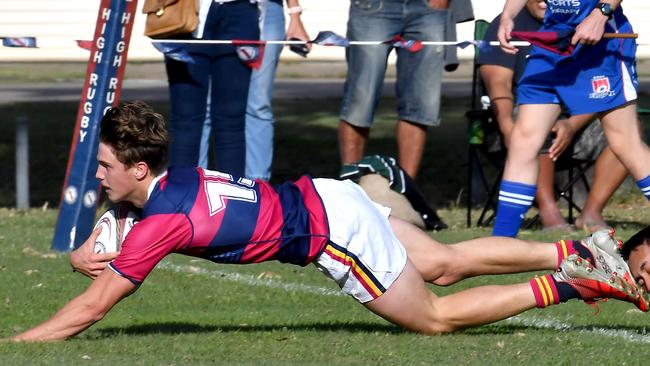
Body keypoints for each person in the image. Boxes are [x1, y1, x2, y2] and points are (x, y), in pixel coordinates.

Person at [7, 101, 648, 342]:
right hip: (328, 195)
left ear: (140, 169)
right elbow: (108, 227)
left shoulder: (160, 223)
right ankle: (584, 250)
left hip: (333, 235)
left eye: (108, 166)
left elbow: (90, 309)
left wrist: (22, 345)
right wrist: (79, 249)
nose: (99, 175)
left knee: (434, 317)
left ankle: (575, 281)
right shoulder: (165, 184)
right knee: (444, 261)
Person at [493, 0, 650, 237]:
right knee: (523, 140)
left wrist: (601, 13)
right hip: (553, 42)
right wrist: (507, 15)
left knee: (624, 143)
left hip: (601, 41)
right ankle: (501, 242)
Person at [197, 0, 310, 179]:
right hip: (217, 6)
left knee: (258, 104)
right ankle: (195, 187)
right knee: (207, 104)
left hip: (268, 8)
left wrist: (294, 14)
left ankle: (257, 188)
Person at [337, 0, 449, 179]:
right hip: (374, 7)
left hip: (428, 9)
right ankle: (351, 186)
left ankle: (406, 192)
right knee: (360, 99)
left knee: (419, 103)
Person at [164, 0, 259, 176]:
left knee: (232, 121)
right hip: (186, 11)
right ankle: (180, 198)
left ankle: (233, 199)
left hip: (241, 11)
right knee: (185, 119)